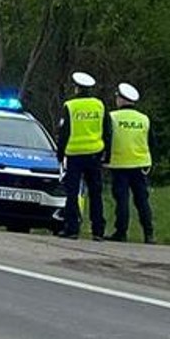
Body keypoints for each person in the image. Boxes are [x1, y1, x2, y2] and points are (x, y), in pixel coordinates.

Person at [54, 70, 108, 239]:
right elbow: (107, 130)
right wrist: (106, 153)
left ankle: (72, 228)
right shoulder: (99, 105)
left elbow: (64, 132)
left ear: (77, 88)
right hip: (94, 155)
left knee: (72, 193)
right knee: (95, 194)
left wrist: (60, 154)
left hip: (74, 155)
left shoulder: (70, 106)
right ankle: (98, 230)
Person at [108, 81, 154, 243]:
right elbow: (152, 142)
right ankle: (149, 234)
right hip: (140, 164)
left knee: (122, 200)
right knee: (142, 200)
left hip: (119, 164)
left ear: (121, 99)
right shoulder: (144, 119)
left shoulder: (112, 117)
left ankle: (121, 232)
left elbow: (107, 139)